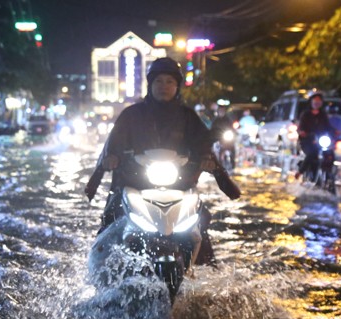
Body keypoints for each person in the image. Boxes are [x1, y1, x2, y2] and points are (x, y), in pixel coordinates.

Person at [84, 57, 240, 265]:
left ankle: (207, 268)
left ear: (177, 86)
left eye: (169, 82)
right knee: (112, 215)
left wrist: (207, 161)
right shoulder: (131, 115)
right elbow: (113, 145)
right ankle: (100, 266)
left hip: (179, 183)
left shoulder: (188, 117)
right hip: (135, 181)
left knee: (200, 218)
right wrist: (111, 159)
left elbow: (202, 144)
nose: (164, 86)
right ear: (151, 84)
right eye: (159, 81)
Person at [295, 90, 334, 181]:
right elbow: (300, 128)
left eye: (319, 100)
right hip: (307, 141)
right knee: (312, 153)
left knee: (330, 154)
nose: (317, 102)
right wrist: (302, 132)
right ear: (311, 101)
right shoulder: (305, 114)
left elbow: (329, 127)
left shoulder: (323, 115)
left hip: (320, 141)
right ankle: (300, 172)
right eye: (315, 100)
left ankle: (329, 175)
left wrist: (336, 132)